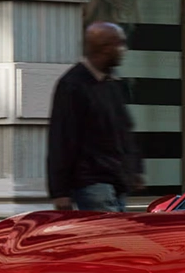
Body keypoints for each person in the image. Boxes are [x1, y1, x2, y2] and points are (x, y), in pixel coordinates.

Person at [46, 22, 145, 212]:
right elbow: (62, 138)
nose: (124, 50)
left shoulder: (112, 82)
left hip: (116, 180)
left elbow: (124, 130)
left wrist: (134, 168)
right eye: (119, 44)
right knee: (108, 229)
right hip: (91, 181)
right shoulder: (73, 84)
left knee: (115, 229)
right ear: (105, 48)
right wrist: (60, 191)